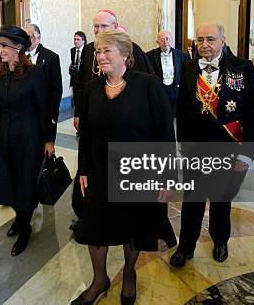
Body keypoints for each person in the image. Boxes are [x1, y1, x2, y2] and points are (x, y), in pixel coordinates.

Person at [72, 30, 176, 305]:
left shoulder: (148, 85)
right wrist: (83, 169)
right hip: (100, 172)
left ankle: (129, 274)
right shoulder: (92, 89)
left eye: (107, 51)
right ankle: (99, 280)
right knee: (94, 227)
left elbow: (165, 132)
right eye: (98, 51)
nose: (101, 56)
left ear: (125, 55)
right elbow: (87, 134)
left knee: (133, 228)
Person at [170, 23, 254, 267]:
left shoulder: (242, 67)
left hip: (228, 147)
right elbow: (183, 109)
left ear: (223, 40)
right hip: (195, 150)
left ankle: (220, 241)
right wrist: (183, 147)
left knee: (221, 199)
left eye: (210, 39)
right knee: (192, 200)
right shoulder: (189, 67)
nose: (204, 45)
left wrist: (247, 154)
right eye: (200, 40)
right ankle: (185, 247)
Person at [70, 10, 154, 233]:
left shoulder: (132, 50)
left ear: (116, 26)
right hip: (96, 124)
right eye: (95, 27)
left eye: (104, 27)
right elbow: (82, 85)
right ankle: (86, 214)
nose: (98, 31)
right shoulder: (89, 51)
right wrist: (79, 113)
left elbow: (148, 95)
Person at [0, 26, 56, 257]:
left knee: (25, 183)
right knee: (5, 180)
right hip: (4, 138)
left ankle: (25, 225)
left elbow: (44, 110)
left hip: (29, 138)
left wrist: (49, 141)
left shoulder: (34, 73)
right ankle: (20, 217)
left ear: (18, 48)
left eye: (4, 46)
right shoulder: (0, 72)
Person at [24, 23, 63, 124]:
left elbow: (57, 88)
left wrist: (53, 115)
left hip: (44, 111)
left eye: (28, 37)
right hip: (25, 113)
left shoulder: (51, 57)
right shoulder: (19, 56)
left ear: (38, 37)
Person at [146, 30, 189, 115]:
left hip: (175, 91)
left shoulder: (181, 55)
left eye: (167, 39)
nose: (165, 42)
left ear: (172, 40)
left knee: (175, 115)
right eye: (162, 40)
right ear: (157, 42)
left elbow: (186, 74)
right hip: (159, 91)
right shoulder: (149, 56)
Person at [69, 31, 86, 106]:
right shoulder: (72, 50)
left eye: (78, 39)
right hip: (75, 80)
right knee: (76, 101)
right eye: (74, 39)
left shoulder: (87, 50)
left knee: (83, 102)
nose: (75, 42)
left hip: (84, 80)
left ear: (83, 40)